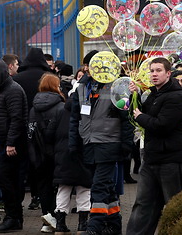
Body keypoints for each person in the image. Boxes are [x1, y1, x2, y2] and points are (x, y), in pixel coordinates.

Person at [69, 50, 134, 235]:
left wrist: (126, 145)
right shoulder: (81, 88)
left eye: (92, 64)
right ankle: (114, 223)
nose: (88, 68)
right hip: (88, 144)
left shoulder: (116, 87)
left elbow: (126, 119)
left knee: (98, 185)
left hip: (109, 143)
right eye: (87, 65)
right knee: (107, 187)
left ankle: (95, 225)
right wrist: (74, 144)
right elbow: (75, 118)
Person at [126, 57, 182, 235]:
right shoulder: (154, 93)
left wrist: (141, 117)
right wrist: (135, 94)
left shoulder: (177, 96)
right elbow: (139, 115)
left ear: (168, 73)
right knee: (143, 205)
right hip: (151, 158)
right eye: (152, 71)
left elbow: (162, 125)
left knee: (175, 205)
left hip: (171, 160)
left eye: (158, 70)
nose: (154, 74)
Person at [0, 59, 28, 232]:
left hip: (14, 145)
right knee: (9, 180)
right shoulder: (6, 90)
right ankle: (14, 217)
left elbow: (17, 119)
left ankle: (13, 217)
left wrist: (10, 143)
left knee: (5, 178)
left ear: (0, 74)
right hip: (9, 144)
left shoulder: (12, 91)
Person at [13, 47, 51, 211]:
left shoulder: (17, 79)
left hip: (22, 129)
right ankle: (44, 203)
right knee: (43, 169)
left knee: (21, 168)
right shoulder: (49, 78)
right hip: (44, 130)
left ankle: (17, 205)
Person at [29, 73, 65, 233]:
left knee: (43, 186)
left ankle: (46, 218)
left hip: (37, 153)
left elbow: (29, 131)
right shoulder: (60, 106)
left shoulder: (33, 107)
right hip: (55, 152)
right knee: (58, 186)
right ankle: (55, 218)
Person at [53, 96, 91, 234]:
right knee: (84, 188)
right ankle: (82, 225)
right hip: (83, 153)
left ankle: (60, 224)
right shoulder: (86, 110)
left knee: (63, 188)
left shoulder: (61, 111)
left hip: (63, 155)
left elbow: (51, 133)